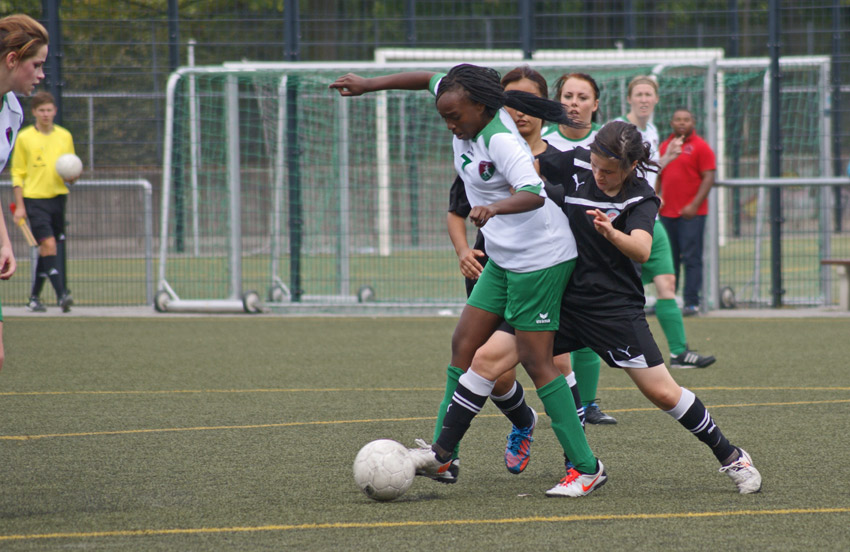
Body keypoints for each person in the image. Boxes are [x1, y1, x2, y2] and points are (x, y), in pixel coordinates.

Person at [330, 64, 607, 498]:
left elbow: (533, 192)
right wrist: (369, 85)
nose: (451, 124)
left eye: (456, 117)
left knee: (538, 364)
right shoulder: (459, 101)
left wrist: (495, 209)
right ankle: (445, 457)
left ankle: (587, 467)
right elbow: (424, 79)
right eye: (445, 117)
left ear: (481, 107)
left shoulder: (500, 139)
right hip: (504, 258)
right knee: (464, 343)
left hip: (542, 259)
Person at [472, 120, 762, 494]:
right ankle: (466, 449)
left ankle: (732, 456)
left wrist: (612, 232)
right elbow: (528, 167)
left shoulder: (641, 197)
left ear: (629, 167)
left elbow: (642, 248)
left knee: (662, 392)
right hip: (558, 300)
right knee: (489, 362)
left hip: (612, 309)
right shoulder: (575, 163)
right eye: (594, 166)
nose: (598, 175)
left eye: (608, 171)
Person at [445, 66, 587, 477]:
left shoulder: (561, 161)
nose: (519, 110)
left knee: (552, 363)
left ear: (541, 108)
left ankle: (575, 456)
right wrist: (462, 252)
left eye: (527, 101)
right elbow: (458, 211)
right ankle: (523, 422)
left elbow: (573, 217)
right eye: (512, 99)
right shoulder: (474, 150)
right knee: (491, 368)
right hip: (495, 268)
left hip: (541, 270)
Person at [613, 76, 715, 367]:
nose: (644, 99)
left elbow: (646, 171)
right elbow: (617, 172)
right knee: (619, 290)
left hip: (650, 218)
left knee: (667, 282)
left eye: (649, 94)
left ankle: (679, 352)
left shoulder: (654, 130)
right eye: (639, 94)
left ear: (656, 99)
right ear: (630, 99)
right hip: (625, 220)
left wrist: (663, 163)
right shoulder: (621, 130)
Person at [545, 72, 617, 424]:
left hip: (590, 249)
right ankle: (572, 403)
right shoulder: (542, 141)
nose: (574, 103)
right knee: (553, 333)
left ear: (595, 104)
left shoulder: (606, 144)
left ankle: (588, 404)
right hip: (547, 249)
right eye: (568, 96)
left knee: (587, 330)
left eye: (582, 97)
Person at [0, 13, 49, 370]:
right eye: (37, 64)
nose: (42, 75)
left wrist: (4, 242)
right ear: (12, 59)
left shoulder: (13, 112)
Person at [11, 90, 75, 313]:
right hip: (34, 199)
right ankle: (61, 295)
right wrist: (20, 206)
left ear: (55, 111)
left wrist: (73, 176)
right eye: (41, 111)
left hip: (58, 198)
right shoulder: (25, 138)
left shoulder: (65, 136)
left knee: (48, 249)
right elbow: (17, 172)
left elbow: (70, 167)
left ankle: (34, 298)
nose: (46, 114)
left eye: (49, 110)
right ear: (34, 112)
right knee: (47, 245)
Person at [657, 107, 716, 316]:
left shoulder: (701, 147)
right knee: (668, 260)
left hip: (692, 214)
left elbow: (709, 177)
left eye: (686, 120)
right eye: (678, 120)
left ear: (693, 123)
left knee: (691, 258)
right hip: (667, 213)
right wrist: (656, 198)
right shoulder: (666, 146)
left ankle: (692, 302)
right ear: (671, 123)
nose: (682, 123)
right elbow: (657, 174)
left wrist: (693, 205)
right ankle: (668, 301)